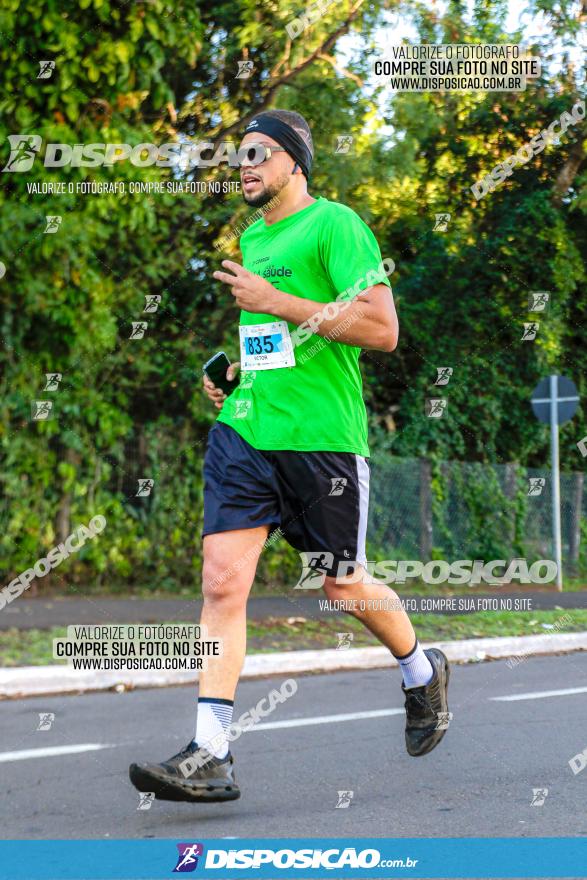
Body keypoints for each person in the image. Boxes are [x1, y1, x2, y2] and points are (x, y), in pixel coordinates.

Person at [129, 109, 450, 803]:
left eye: (257, 152)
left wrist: (273, 296)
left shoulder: (334, 225)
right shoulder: (252, 236)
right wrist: (235, 375)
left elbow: (380, 328)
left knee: (340, 585)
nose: (242, 163)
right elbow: (275, 338)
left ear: (294, 163)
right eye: (236, 154)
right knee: (221, 583)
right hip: (246, 433)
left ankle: (422, 672)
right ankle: (209, 754)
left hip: (321, 442)